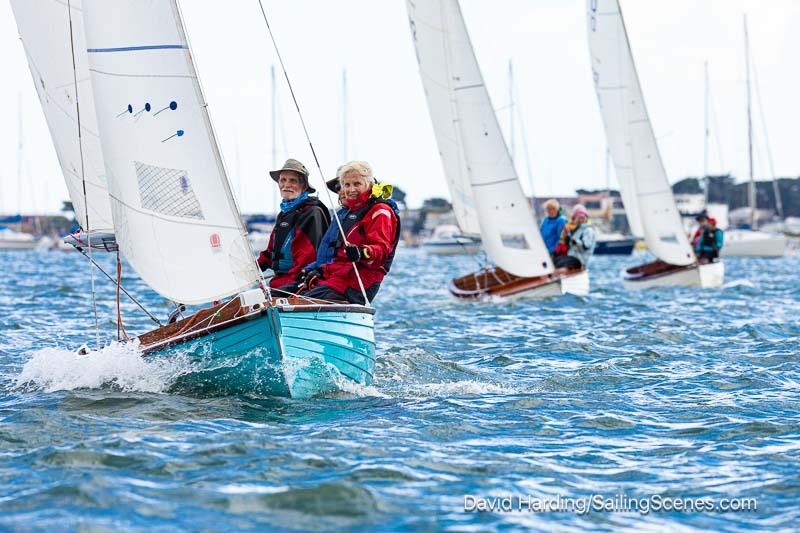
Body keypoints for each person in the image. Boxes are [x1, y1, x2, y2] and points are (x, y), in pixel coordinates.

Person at [298, 161, 400, 305]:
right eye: (346, 185)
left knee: (301, 302)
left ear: (369, 184)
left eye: (357, 184)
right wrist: (319, 270)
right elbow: (338, 257)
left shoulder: (380, 211)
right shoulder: (351, 212)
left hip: (358, 282)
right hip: (339, 276)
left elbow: (381, 250)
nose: (351, 189)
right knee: (291, 298)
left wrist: (361, 252)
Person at [257, 158, 331, 294]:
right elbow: (270, 252)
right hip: (281, 281)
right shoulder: (285, 212)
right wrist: (253, 269)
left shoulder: (311, 212)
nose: (286, 185)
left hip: (301, 282)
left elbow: (307, 259)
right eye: (283, 180)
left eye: (293, 181)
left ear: (303, 186)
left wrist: (284, 285)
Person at [553, 204, 596, 269]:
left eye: (582, 218)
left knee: (559, 263)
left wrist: (575, 241)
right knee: (554, 260)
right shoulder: (576, 229)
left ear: (586, 218)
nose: (580, 220)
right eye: (578, 218)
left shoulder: (588, 230)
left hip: (580, 260)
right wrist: (567, 240)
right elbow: (569, 244)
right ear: (575, 218)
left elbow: (586, 246)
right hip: (573, 256)